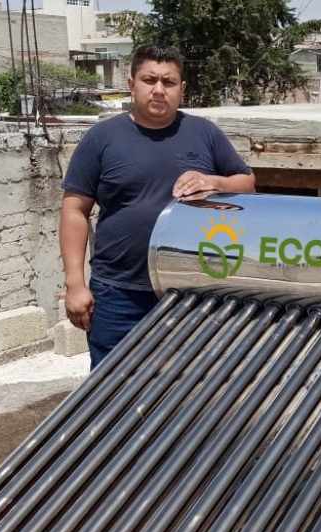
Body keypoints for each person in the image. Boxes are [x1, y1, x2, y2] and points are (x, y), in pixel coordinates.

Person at [59, 44, 256, 369]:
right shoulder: (102, 138)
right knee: (111, 387)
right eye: (150, 80)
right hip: (119, 292)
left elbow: (246, 183)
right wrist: (75, 284)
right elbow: (74, 210)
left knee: (188, 385)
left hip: (192, 290)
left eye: (169, 81)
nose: (159, 89)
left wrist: (215, 182)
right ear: (131, 84)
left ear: (182, 88)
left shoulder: (203, 133)